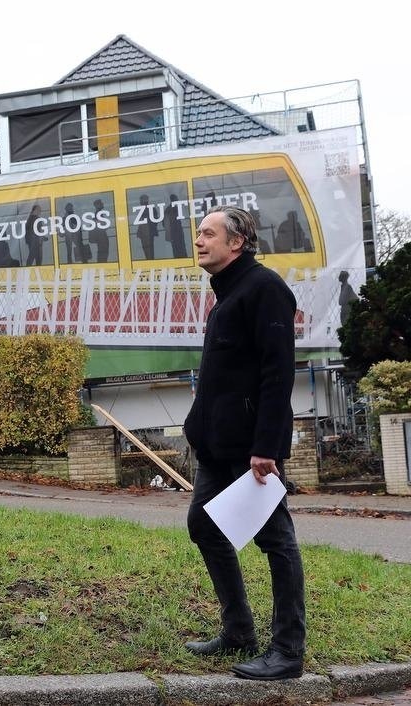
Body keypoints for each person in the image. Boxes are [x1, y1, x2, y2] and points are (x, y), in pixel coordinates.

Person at [183, 205, 305, 681]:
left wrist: (267, 446)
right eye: (198, 233)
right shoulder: (227, 294)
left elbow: (278, 373)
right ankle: (238, 631)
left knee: (276, 542)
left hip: (252, 450)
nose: (198, 240)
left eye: (208, 233)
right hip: (216, 446)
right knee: (204, 525)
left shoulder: (264, 288)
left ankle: (287, 650)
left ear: (237, 242)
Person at [135, 193, 158, 260]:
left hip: (147, 232)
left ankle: (150, 260)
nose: (140, 202)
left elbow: (154, 220)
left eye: (141, 200)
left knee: (148, 249)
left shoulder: (147, 209)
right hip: (146, 232)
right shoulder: (150, 208)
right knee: (148, 249)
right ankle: (149, 260)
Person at [165, 193, 188, 258]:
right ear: (174, 200)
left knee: (176, 248)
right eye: (176, 199)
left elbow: (165, 224)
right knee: (180, 247)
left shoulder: (169, 209)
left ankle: (180, 258)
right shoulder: (173, 209)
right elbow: (166, 223)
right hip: (175, 232)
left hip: (175, 232)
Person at [89, 198, 110, 263]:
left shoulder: (98, 214)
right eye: (101, 203)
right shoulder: (98, 214)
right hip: (101, 237)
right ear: (97, 205)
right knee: (103, 254)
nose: (102, 204)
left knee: (102, 254)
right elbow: (103, 225)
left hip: (100, 238)